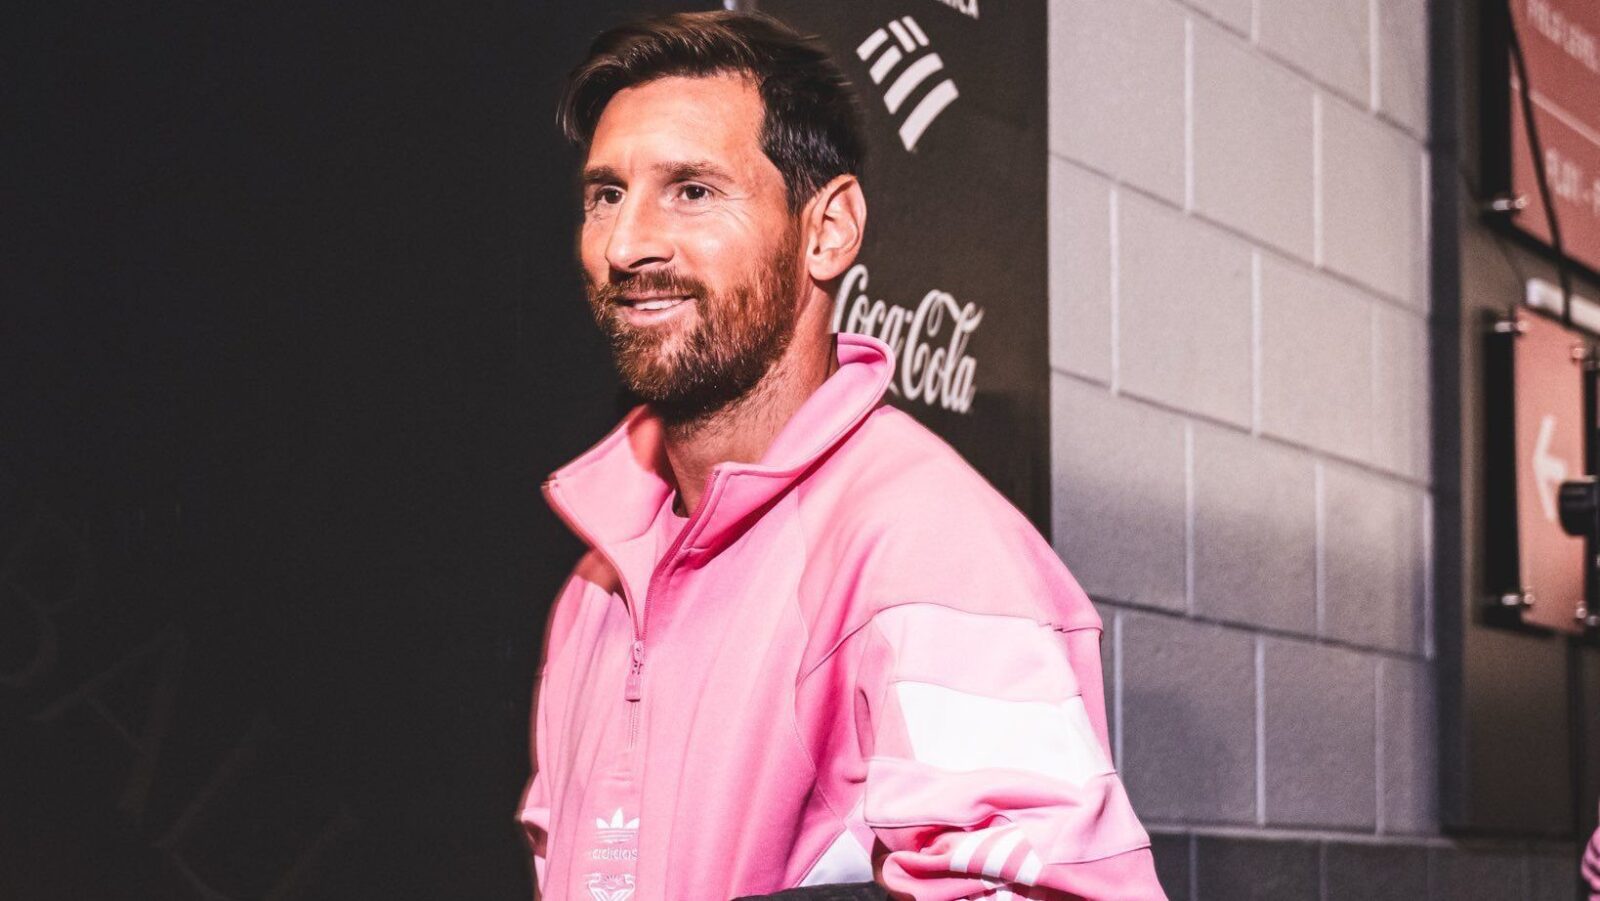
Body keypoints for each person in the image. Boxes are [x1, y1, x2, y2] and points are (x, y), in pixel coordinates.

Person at [518, 11, 1164, 900]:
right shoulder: (597, 586)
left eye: (692, 190)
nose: (627, 244)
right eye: (605, 196)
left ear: (827, 231)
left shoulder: (929, 553)